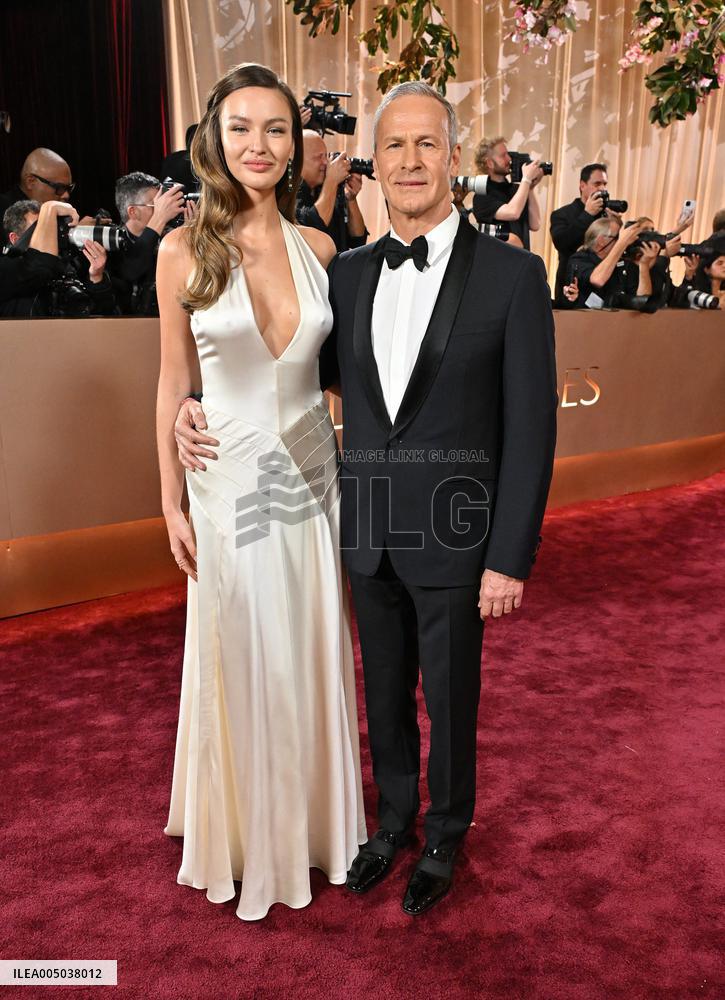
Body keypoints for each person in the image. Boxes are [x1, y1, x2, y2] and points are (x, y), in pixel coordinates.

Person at [176, 81, 558, 916]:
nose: (411, 161)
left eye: (428, 145)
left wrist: (508, 557)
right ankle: (389, 825)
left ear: (454, 159)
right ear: (371, 163)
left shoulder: (512, 275)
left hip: (461, 532)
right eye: (394, 146)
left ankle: (446, 834)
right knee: (381, 691)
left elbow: (531, 427)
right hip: (363, 521)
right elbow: (287, 381)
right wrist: (191, 406)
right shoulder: (343, 272)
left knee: (450, 697)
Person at [155, 62, 366, 922]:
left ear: (297, 145)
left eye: (276, 129)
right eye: (241, 127)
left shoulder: (321, 250)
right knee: (241, 646)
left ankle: (314, 827)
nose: (258, 144)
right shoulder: (182, 248)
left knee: (310, 640)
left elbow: (340, 376)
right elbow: (172, 382)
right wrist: (167, 499)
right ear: (215, 137)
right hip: (225, 471)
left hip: (314, 474)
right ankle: (246, 834)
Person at [0, 198, 116, 317]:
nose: (51, 235)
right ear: (15, 239)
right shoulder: (6, 269)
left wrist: (96, 277)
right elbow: (41, 264)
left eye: (52, 227)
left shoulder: (68, 264)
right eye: (41, 230)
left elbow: (105, 318)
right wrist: (50, 207)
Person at [109, 172, 188, 315]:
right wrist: (159, 218)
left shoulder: (169, 238)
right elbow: (131, 270)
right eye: (156, 205)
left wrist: (191, 236)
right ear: (133, 212)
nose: (163, 209)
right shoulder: (112, 242)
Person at [295, 129, 368, 252]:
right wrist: (332, 180)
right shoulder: (287, 194)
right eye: (318, 157)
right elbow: (313, 228)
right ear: (298, 160)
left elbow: (358, 240)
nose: (326, 162)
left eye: (325, 155)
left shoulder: (328, 188)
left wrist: (351, 199)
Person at [564, 217, 659, 309]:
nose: (623, 241)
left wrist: (644, 265)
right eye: (618, 237)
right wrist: (622, 243)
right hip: (584, 321)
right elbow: (598, 280)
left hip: (618, 322)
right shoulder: (580, 259)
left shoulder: (623, 263)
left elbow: (643, 300)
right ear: (601, 241)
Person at [550, 162, 611, 302]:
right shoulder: (561, 214)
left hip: (602, 286)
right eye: (597, 184)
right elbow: (562, 243)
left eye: (604, 184)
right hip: (571, 285)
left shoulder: (606, 215)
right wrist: (587, 214)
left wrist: (615, 222)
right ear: (582, 185)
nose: (602, 189)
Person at [470, 135, 543, 249]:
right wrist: (526, 180)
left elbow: (535, 224)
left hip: (523, 261)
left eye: (508, 154)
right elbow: (513, 213)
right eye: (503, 155)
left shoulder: (516, 189)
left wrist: (530, 188)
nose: (509, 159)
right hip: (499, 263)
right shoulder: (482, 195)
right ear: (489, 163)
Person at [0, 148, 74, 245]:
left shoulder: (62, 213)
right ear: (31, 182)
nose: (66, 195)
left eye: (69, 188)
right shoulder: (2, 210)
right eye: (59, 188)